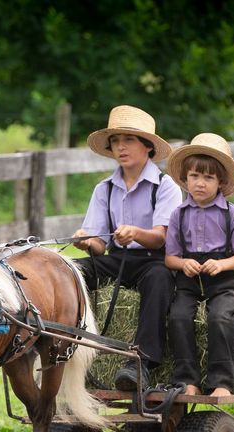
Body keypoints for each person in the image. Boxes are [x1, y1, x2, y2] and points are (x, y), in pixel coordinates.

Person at [72, 105, 182, 391]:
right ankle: (71, 351)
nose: (120, 147)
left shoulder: (165, 186)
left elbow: (160, 238)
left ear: (148, 147)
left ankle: (141, 363)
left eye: (128, 140)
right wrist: (86, 241)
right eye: (116, 141)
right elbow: (99, 246)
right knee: (72, 271)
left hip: (153, 260)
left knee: (159, 279)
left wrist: (135, 233)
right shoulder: (104, 189)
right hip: (117, 258)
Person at [164, 133, 234, 397]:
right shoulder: (179, 215)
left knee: (220, 318)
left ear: (221, 182)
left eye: (208, 178)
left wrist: (223, 264)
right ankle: (187, 380)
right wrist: (183, 264)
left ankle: (222, 383)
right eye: (194, 176)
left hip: (222, 283)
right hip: (188, 283)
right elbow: (169, 258)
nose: (200, 183)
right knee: (179, 316)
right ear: (185, 180)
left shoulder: (232, 214)